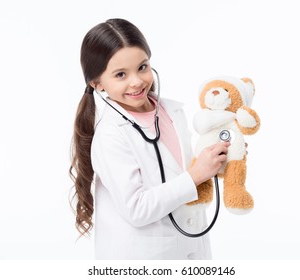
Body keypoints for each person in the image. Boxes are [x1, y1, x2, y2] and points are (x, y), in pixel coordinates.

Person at [70, 18, 230, 260]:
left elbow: (183, 174)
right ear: (97, 83)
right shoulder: (111, 134)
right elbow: (137, 208)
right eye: (121, 74)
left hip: (191, 248)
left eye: (142, 67)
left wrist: (220, 157)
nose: (136, 81)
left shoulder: (172, 112)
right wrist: (197, 174)